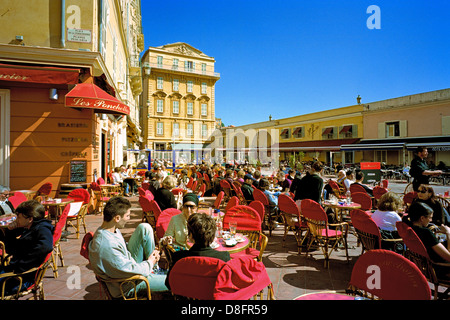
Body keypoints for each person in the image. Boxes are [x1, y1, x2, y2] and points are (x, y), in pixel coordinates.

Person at [88, 197, 167, 298]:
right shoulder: (107, 245)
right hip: (127, 285)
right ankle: (153, 271)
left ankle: (153, 270)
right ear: (117, 218)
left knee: (144, 228)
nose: (129, 219)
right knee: (173, 281)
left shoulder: (111, 229)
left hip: (127, 267)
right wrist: (150, 262)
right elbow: (127, 269)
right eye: (127, 216)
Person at [165, 212, 230, 289]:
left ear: (191, 236)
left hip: (188, 295)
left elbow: (169, 283)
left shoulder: (179, 257)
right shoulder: (224, 257)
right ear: (212, 237)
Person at [0, 200, 54, 293]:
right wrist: (10, 231)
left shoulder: (42, 229)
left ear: (30, 219)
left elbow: (46, 246)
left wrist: (21, 264)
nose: (16, 220)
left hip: (23, 278)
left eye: (19, 217)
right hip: (16, 272)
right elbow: (11, 249)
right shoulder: (30, 228)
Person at [402, 201, 450, 279]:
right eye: (430, 217)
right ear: (422, 218)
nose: (431, 220)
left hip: (424, 268)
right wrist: (448, 233)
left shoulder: (410, 228)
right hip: (440, 269)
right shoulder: (426, 233)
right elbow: (448, 257)